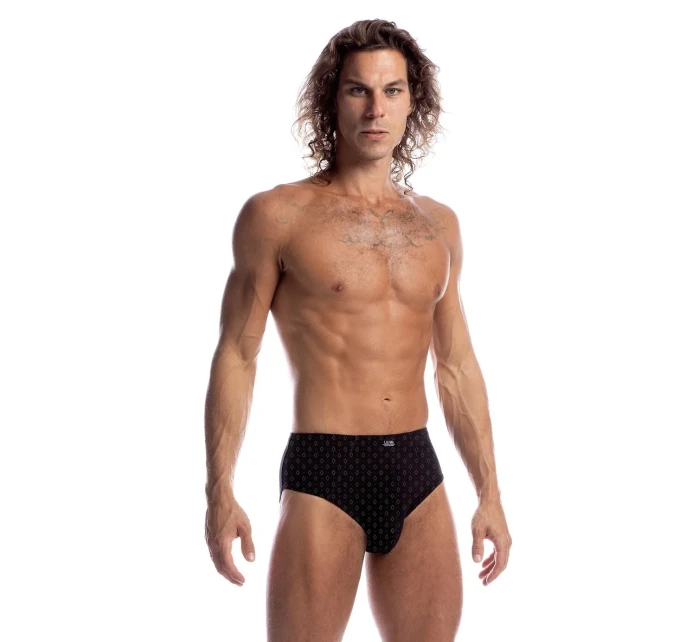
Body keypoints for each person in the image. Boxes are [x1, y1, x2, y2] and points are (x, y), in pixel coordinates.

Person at [204, 18, 511, 641]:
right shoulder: (277, 215)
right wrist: (219, 491)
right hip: (327, 468)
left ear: (412, 102)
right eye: (358, 90)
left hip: (418, 470)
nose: (376, 109)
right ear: (332, 99)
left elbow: (456, 365)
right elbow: (237, 354)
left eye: (392, 91)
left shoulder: (438, 225)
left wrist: (491, 493)